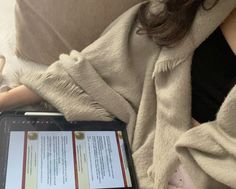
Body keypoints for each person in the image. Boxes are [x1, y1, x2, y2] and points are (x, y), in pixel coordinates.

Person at [0, 0, 236, 188]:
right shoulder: (196, 8)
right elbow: (99, 65)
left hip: (192, 170)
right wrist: (8, 100)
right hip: (122, 137)